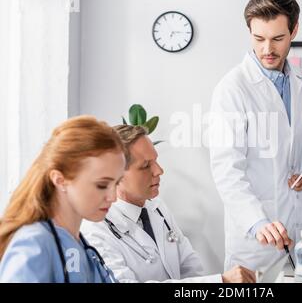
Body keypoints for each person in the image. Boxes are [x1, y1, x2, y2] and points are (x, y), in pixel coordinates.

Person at [208, 0, 302, 272]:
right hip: (255, 240)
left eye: (277, 39)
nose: (267, 49)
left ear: (294, 31)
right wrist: (257, 221)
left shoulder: (300, 80)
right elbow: (226, 169)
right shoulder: (232, 88)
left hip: (296, 230)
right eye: (258, 38)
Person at [81, 125, 255, 283]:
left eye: (155, 160)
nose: (159, 170)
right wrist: (220, 281)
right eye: (146, 165)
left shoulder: (157, 208)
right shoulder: (95, 232)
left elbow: (190, 267)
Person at [0, 116, 126, 282]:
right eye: (102, 185)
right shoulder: (34, 245)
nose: (113, 197)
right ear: (60, 180)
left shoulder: (81, 247)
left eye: (117, 183)